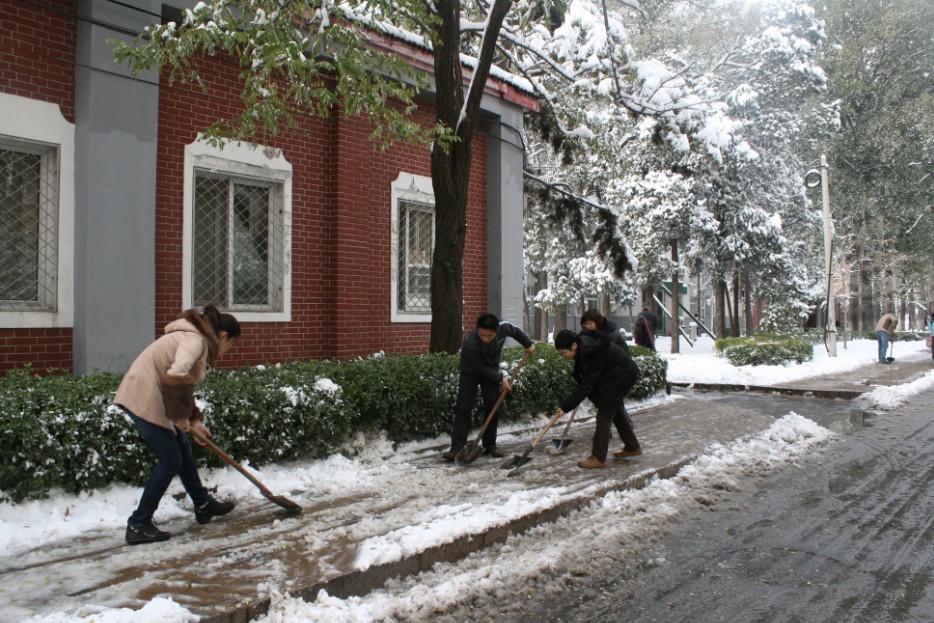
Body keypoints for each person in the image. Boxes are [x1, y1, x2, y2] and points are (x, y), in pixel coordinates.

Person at [114, 305, 241, 544]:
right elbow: (177, 375)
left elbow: (183, 384)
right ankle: (139, 523)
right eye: (231, 345)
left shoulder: (193, 337)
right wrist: (181, 417)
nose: (227, 351)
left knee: (182, 447)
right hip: (144, 397)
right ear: (223, 336)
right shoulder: (196, 341)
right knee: (171, 459)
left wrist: (193, 420)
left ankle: (203, 504)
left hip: (150, 395)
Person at [443, 314, 536, 461]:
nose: (485, 338)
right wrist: (500, 379)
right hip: (470, 371)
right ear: (477, 330)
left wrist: (527, 344)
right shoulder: (470, 343)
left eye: (490, 336)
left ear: (497, 331)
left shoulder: (503, 328)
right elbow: (479, 367)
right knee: (464, 407)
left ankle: (490, 445)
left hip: (491, 369)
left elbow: (515, 331)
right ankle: (457, 448)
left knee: (493, 405)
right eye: (482, 335)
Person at [553, 328, 642, 469]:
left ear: (574, 345)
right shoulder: (584, 346)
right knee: (616, 410)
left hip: (623, 375)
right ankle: (632, 446)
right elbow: (585, 378)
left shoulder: (591, 352)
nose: (563, 356)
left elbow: (588, 384)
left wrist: (566, 407)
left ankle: (598, 457)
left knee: (604, 414)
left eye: (564, 352)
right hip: (616, 373)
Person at [581, 309, 636, 432]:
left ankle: (624, 427)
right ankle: (611, 429)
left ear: (598, 322)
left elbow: (612, 357)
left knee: (613, 401)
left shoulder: (611, 335)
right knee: (609, 402)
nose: (587, 327)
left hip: (619, 371)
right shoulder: (591, 334)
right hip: (605, 372)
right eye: (585, 324)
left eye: (590, 323)